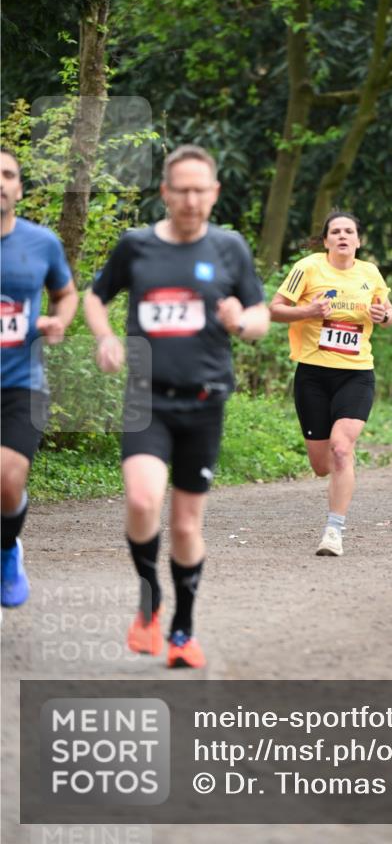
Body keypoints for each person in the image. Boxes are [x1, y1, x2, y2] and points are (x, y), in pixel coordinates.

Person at [84, 144, 269, 668]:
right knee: (143, 501)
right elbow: (97, 296)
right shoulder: (136, 246)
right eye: (181, 189)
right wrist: (104, 338)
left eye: (200, 190)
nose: (190, 199)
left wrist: (240, 321)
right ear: (165, 192)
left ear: (214, 193)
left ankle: (183, 631)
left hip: (205, 402)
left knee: (186, 527)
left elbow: (258, 318)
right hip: (146, 398)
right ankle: (149, 602)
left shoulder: (229, 248)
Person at [270, 210, 392, 557]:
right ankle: (335, 485)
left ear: (358, 240)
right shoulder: (308, 268)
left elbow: (388, 314)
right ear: (326, 241)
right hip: (312, 374)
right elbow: (274, 309)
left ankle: (333, 531)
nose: (342, 236)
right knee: (321, 464)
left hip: (356, 374)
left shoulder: (370, 273)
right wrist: (307, 312)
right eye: (335, 231)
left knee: (342, 448)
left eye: (349, 231)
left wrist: (383, 315)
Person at [1, 148, 78, 607]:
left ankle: (8, 549)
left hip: (21, 383)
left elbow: (65, 293)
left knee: (8, 481)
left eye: (8, 174)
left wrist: (59, 320)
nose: (1, 181)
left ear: (19, 188)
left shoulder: (41, 242)